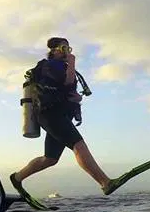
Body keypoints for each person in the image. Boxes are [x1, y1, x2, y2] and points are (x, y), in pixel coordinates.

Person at [10, 37, 116, 196]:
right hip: (50, 114)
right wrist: (72, 63)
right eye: (63, 47)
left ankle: (17, 178)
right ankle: (105, 183)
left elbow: (67, 90)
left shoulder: (62, 67)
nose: (67, 51)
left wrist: (77, 98)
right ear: (54, 50)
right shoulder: (50, 65)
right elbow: (68, 83)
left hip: (59, 115)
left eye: (68, 47)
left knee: (50, 159)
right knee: (78, 145)